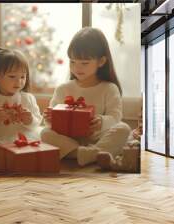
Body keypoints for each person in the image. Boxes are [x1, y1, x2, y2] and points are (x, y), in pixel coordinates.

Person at [41, 27, 133, 171]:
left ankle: (82, 154)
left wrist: (101, 121)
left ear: (101, 61)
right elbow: (50, 121)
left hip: (97, 138)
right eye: (72, 62)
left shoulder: (109, 88)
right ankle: (88, 154)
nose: (77, 68)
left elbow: (116, 117)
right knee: (45, 133)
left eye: (84, 63)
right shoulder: (63, 89)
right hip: (70, 139)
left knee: (124, 128)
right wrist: (49, 118)